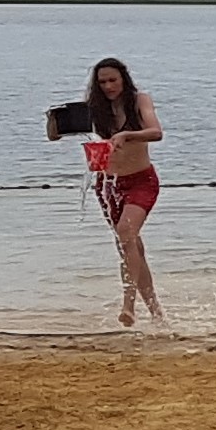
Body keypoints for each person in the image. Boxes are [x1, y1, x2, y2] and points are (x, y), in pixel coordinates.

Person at [80, 57, 167, 325]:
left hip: (141, 180)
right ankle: (157, 314)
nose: (108, 86)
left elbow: (156, 132)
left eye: (112, 80)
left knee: (126, 233)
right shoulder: (94, 108)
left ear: (123, 79)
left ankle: (128, 305)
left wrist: (128, 135)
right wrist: (54, 125)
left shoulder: (139, 100)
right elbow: (57, 134)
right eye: (102, 82)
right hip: (108, 184)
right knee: (129, 245)